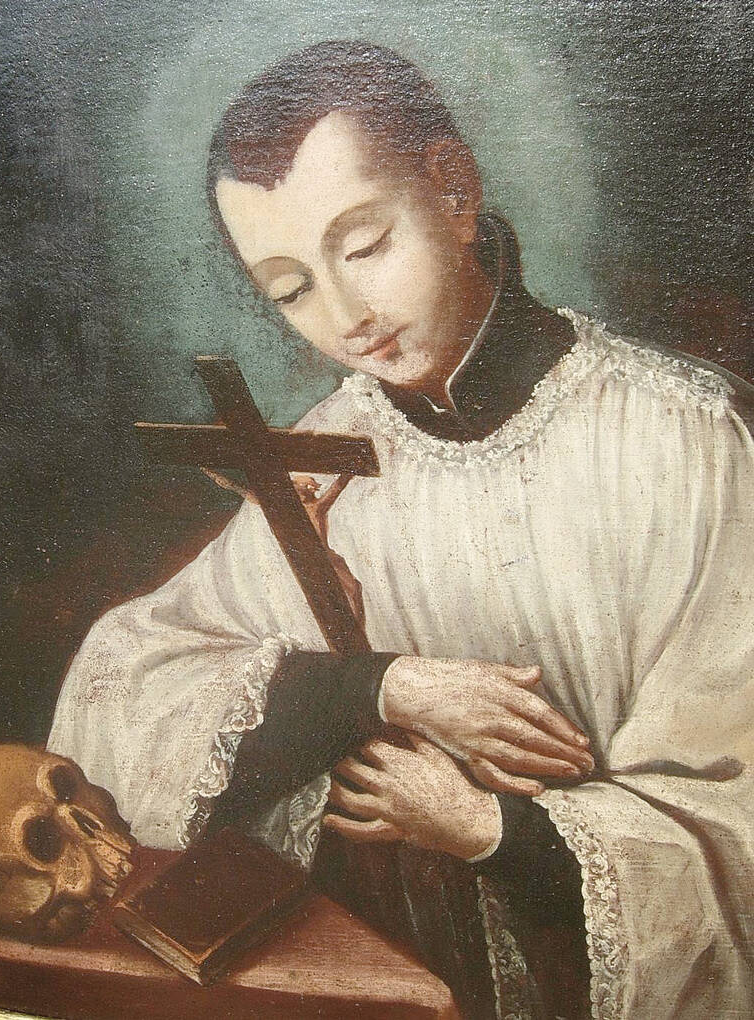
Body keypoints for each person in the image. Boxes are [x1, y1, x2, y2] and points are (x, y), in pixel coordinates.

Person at [49, 41, 754, 1019]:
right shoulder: (323, 453)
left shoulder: (684, 439)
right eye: (290, 289)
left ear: (454, 191)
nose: (346, 316)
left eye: (365, 247)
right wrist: (384, 688)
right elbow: (127, 681)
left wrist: (487, 829)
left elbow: (731, 817)